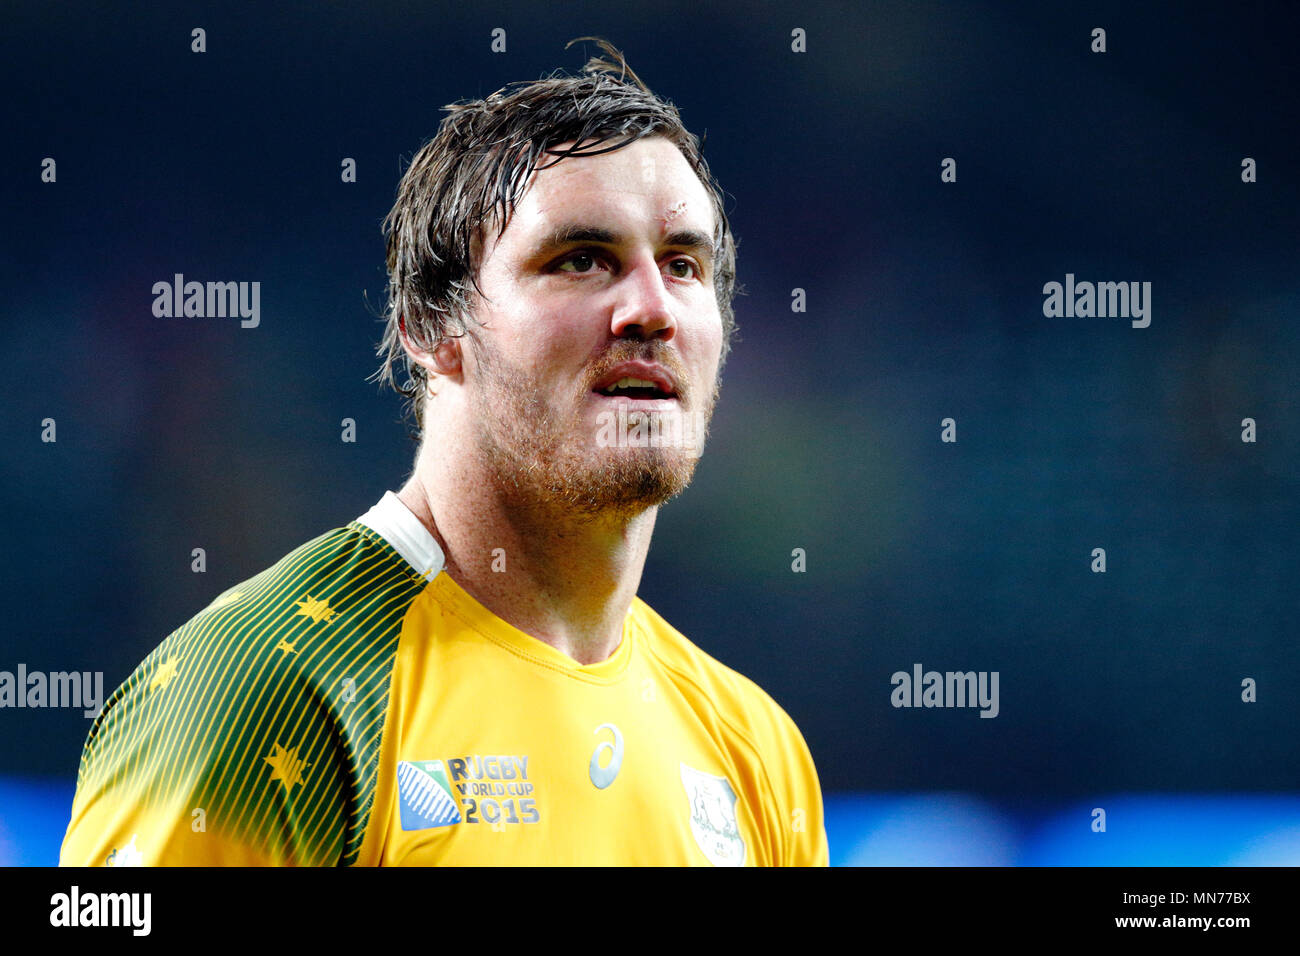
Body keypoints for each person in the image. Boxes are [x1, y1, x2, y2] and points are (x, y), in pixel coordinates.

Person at [60, 38, 828, 867]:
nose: (651, 308)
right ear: (433, 328)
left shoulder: (757, 753)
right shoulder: (264, 694)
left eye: (683, 266)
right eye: (580, 260)